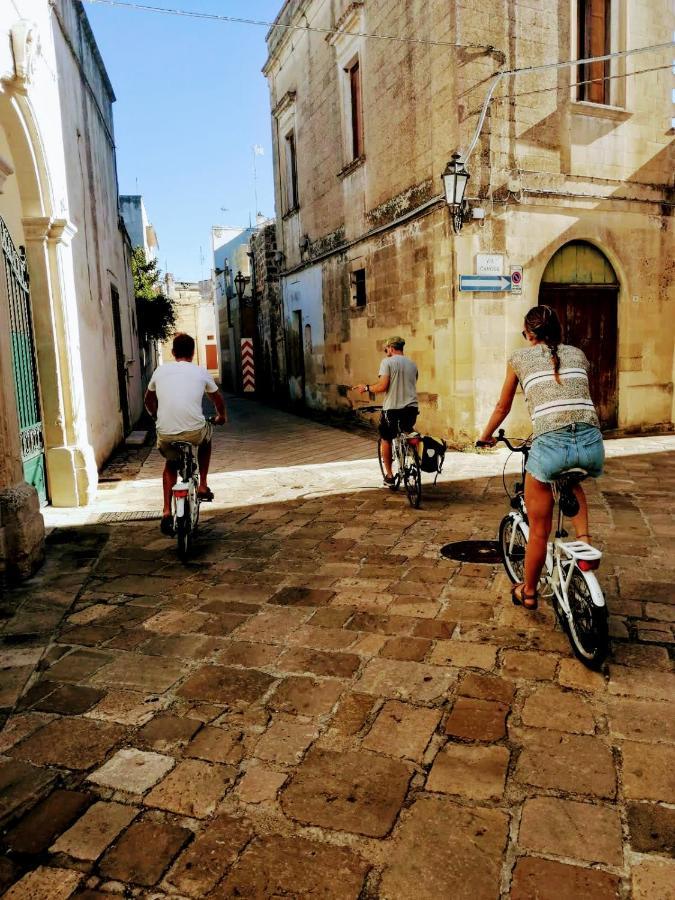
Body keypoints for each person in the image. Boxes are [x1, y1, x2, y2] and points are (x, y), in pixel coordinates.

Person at [478, 305, 604, 609]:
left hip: (550, 446)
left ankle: (529, 592)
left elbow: (502, 407)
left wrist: (485, 436)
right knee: (571, 479)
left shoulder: (519, 359)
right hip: (592, 444)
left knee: (539, 530)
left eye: (525, 333)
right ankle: (583, 539)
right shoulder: (578, 354)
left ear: (529, 334)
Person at [144, 332, 227, 535]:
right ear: (193, 352)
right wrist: (221, 416)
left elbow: (148, 400)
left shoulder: (160, 371)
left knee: (171, 464)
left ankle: (165, 511)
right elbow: (216, 399)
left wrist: (156, 416)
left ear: (172, 352)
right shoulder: (200, 372)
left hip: (166, 433)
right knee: (207, 439)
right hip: (194, 432)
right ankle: (203, 485)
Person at [353, 336, 419, 485]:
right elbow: (412, 384)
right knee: (408, 431)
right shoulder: (412, 364)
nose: (386, 352)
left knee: (386, 438)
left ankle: (389, 476)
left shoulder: (387, 362)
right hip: (412, 409)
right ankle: (415, 458)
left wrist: (367, 388)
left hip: (392, 410)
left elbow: (382, 386)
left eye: (386, 349)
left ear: (391, 348)